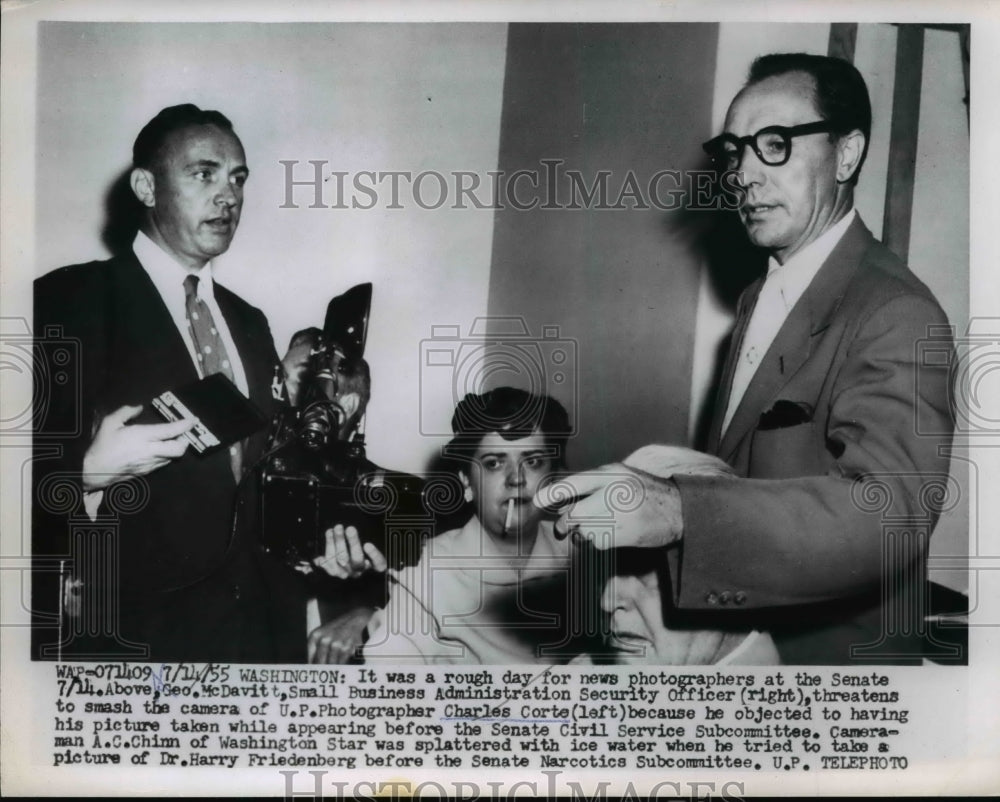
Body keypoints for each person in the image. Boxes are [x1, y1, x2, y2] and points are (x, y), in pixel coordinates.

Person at [535, 53, 955, 665]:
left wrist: (679, 509)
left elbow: (888, 516)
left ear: (846, 154)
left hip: (828, 674)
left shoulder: (894, 310)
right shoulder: (763, 295)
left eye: (776, 145)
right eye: (736, 153)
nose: (745, 177)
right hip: (739, 655)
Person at [33, 104, 282, 662]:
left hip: (248, 633)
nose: (229, 196)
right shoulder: (67, 301)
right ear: (146, 186)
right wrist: (86, 474)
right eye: (204, 173)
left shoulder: (251, 322)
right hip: (129, 635)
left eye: (238, 179)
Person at [362, 387, 577, 664]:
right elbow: (390, 663)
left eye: (533, 461)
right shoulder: (425, 570)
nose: (516, 479)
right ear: (466, 482)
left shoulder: (582, 550)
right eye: (494, 463)